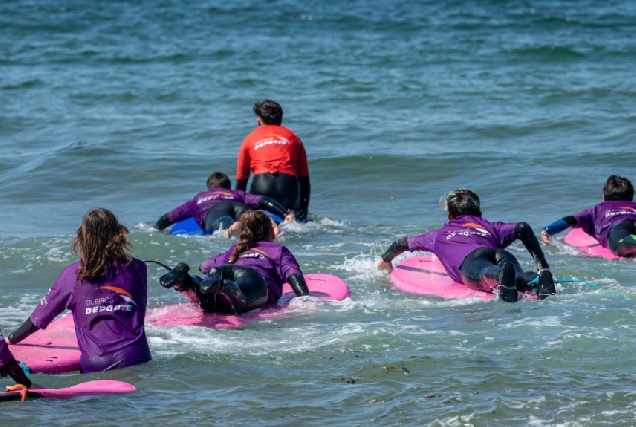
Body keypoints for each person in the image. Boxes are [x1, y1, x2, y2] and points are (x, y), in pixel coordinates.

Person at [5, 208, 151, 373]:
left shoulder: (72, 275)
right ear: (119, 235)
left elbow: (39, 318)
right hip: (135, 357)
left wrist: (12, 338)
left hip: (95, 363)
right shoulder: (138, 268)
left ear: (82, 238)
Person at [377, 189, 556, 302]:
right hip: (500, 253)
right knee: (518, 275)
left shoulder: (437, 235)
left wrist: (386, 260)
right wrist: (543, 266)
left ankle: (500, 275)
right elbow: (522, 228)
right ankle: (537, 279)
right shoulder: (492, 227)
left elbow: (401, 243)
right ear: (479, 213)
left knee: (484, 273)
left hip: (471, 259)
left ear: (449, 217)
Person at [159, 210, 310, 314]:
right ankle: (222, 286)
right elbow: (293, 274)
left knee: (205, 297)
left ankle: (185, 281)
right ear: (270, 231)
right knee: (240, 293)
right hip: (254, 278)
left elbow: (204, 266)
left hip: (224, 271)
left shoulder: (235, 248)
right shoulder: (278, 249)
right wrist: (305, 299)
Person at [235, 100, 311, 221]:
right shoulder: (294, 137)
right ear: (280, 119)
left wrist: (237, 212)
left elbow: (241, 181)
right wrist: (303, 212)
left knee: (259, 221)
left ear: (259, 120)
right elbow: (304, 180)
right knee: (293, 220)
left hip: (262, 185)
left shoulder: (249, 139)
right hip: (288, 186)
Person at [154, 172, 291, 235]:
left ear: (209, 187)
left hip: (216, 210)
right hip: (239, 205)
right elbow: (263, 200)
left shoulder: (197, 200)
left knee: (222, 221)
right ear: (228, 187)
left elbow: (168, 218)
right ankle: (270, 226)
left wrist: (155, 228)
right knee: (251, 222)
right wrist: (285, 214)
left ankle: (229, 227)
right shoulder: (237, 194)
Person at [541, 175, 636, 257]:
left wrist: (549, 230)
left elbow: (570, 220)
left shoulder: (596, 210)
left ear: (604, 197)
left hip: (619, 227)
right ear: (631, 198)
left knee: (620, 246)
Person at [1, 328, 32, 398]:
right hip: (5, 357)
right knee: (27, 385)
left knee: (26, 385)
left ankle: (48, 394)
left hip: (4, 358)